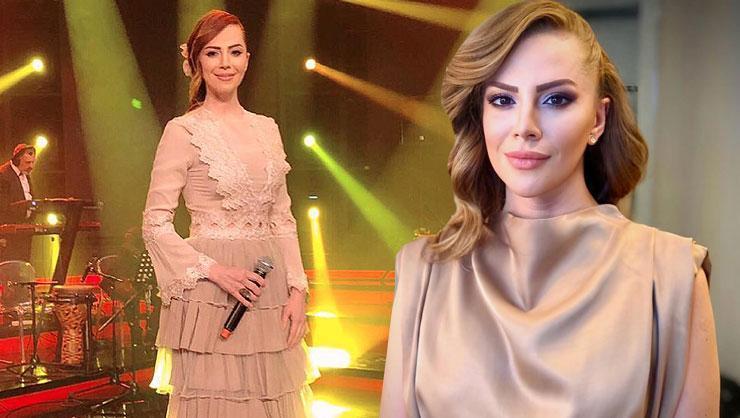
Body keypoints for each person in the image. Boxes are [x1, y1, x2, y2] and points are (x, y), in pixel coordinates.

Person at [380, 1, 719, 417]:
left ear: (597, 119)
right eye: (502, 100)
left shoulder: (671, 276)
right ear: (480, 114)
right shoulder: (424, 271)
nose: (525, 126)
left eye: (556, 99)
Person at [142, 10, 313, 417]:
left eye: (235, 52)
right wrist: (216, 271)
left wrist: (298, 291)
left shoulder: (267, 128)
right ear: (196, 62)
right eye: (213, 53)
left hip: (268, 290)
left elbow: (283, 219)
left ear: (247, 59)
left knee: (273, 400)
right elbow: (154, 224)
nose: (225, 63)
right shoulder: (183, 131)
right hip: (212, 293)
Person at [0, 144, 37, 261]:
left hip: (24, 230)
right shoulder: (3, 175)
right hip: (9, 234)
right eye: (27, 162)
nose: (31, 166)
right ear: (17, 160)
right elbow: (2, 208)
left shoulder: (25, 174)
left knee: (23, 264)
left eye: (33, 162)